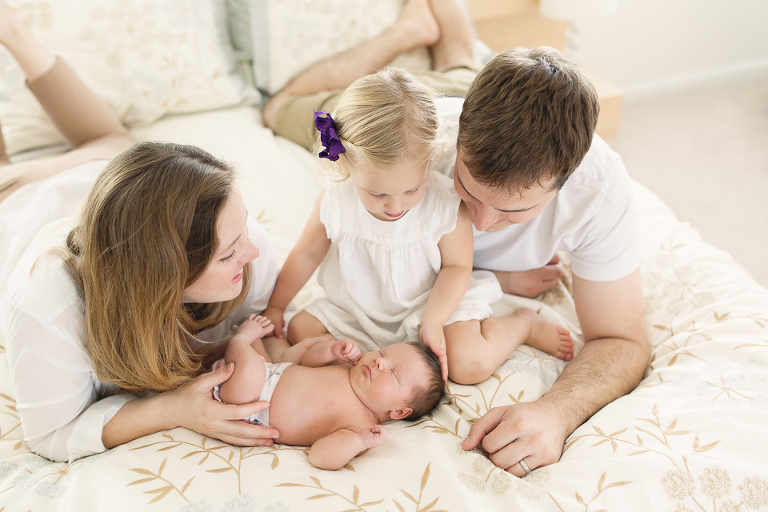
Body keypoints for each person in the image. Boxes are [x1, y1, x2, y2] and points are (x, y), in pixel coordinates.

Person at [262, 0, 649, 478]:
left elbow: (623, 339)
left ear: (566, 179)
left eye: (514, 211)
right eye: (466, 189)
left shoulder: (600, 191)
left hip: (458, 107)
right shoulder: (411, 151)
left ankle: (456, 42)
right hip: (429, 101)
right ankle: (412, 32)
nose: (481, 223)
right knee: (278, 110)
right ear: (456, 138)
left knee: (462, 62)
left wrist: (557, 412)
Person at [0, 2, 281, 462]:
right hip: (13, 208)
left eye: (242, 230)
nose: (252, 250)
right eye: (228, 255)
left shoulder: (242, 239)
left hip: (110, 187)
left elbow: (271, 319)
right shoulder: (46, 306)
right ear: (161, 273)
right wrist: (171, 409)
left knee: (110, 143)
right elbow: (51, 435)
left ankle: (14, 35)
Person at [261, 66, 573, 384]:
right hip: (355, 308)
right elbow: (306, 254)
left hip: (428, 303)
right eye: (377, 193)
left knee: (469, 364)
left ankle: (522, 325)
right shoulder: (336, 200)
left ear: (430, 161)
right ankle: (354, 360)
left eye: (412, 189)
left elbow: (456, 267)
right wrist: (276, 307)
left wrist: (434, 321)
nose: (395, 206)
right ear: (346, 164)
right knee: (301, 329)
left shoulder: (444, 203)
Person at [212, 315, 444, 470]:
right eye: (382, 353)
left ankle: (240, 337)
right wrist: (331, 351)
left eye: (393, 374)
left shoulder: (358, 426)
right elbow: (308, 362)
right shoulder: (349, 368)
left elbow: (320, 456)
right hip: (267, 370)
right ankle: (224, 349)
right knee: (262, 356)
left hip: (250, 406)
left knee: (251, 370)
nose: (379, 363)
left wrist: (359, 441)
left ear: (399, 411)